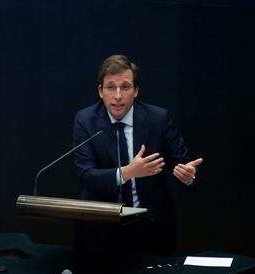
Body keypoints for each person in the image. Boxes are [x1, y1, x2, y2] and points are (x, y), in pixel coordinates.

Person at [73, 54, 203, 255]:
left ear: (136, 90)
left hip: (150, 227)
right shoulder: (86, 120)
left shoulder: (158, 119)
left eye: (125, 87)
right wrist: (127, 172)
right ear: (100, 91)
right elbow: (87, 175)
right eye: (110, 87)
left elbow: (183, 163)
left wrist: (188, 175)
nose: (118, 96)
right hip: (102, 229)